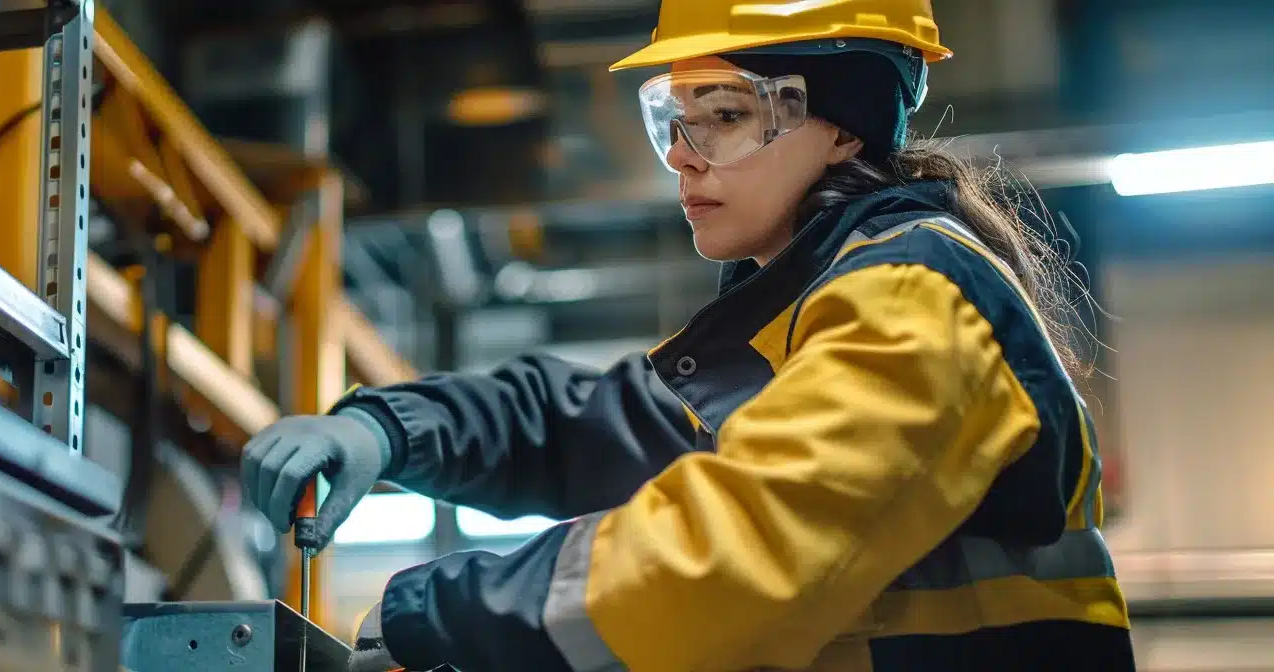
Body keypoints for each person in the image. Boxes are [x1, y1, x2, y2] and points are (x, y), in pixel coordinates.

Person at [240, 0, 1133, 669]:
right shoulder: (798, 318)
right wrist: (389, 427)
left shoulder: (915, 301)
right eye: (677, 113)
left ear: (841, 126)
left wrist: (436, 612)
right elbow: (588, 421)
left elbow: (727, 559)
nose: (680, 153)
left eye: (729, 115)